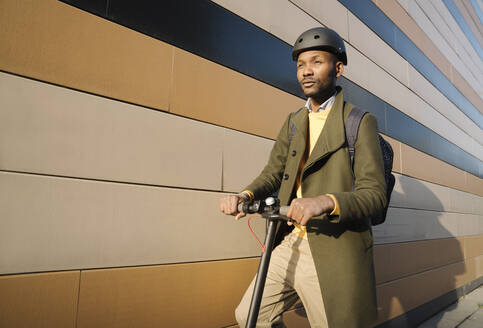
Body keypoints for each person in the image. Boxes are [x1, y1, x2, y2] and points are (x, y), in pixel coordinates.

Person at [220, 27, 387, 328]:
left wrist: (323, 202)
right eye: (300, 65)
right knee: (250, 316)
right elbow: (273, 173)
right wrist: (245, 196)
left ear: (338, 68)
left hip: (334, 246)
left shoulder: (359, 122)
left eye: (316, 62)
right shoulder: (294, 122)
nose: (306, 71)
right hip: (290, 240)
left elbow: (375, 195)